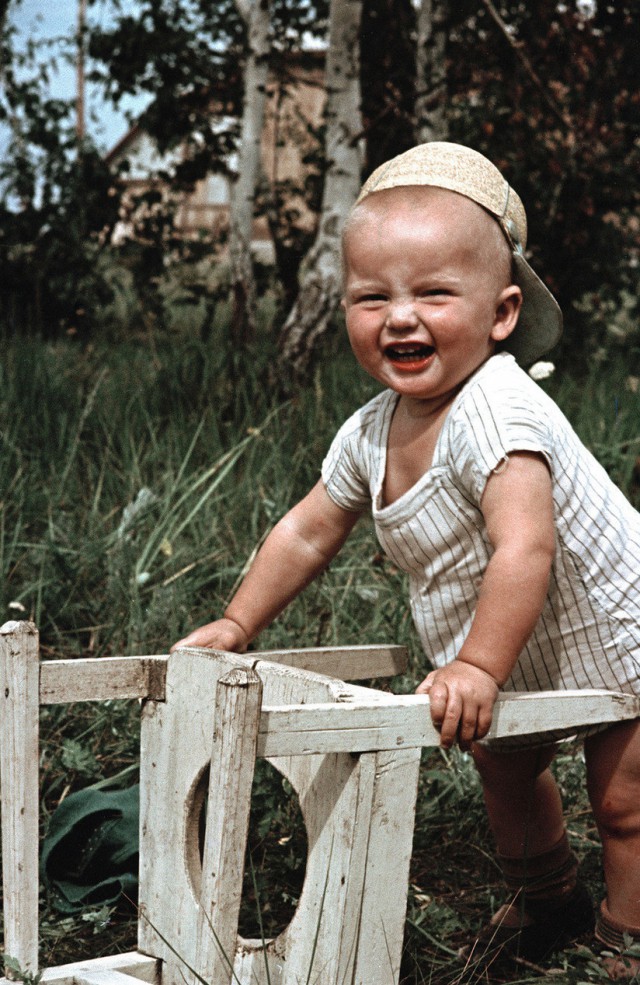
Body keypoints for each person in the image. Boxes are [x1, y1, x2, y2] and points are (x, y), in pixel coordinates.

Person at [172, 142, 640, 979]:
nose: (399, 316)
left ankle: (623, 934)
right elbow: (309, 530)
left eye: (432, 292)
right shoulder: (371, 429)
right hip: (500, 644)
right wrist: (242, 620)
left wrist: (476, 664)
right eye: (371, 296)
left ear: (500, 314)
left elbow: (524, 544)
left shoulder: (499, 407)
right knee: (506, 773)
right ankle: (549, 900)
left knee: (625, 798)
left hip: (608, 622)